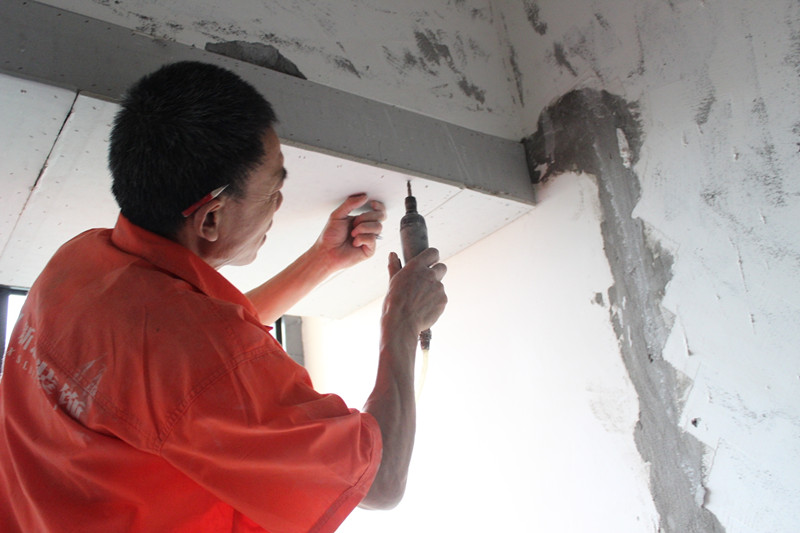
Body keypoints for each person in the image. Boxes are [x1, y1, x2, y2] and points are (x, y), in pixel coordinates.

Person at [0, 61, 447, 532]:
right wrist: (401, 321)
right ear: (210, 217)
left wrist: (320, 261)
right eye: (272, 191)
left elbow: (188, 355)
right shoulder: (193, 356)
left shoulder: (80, 262)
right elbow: (381, 482)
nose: (278, 205)